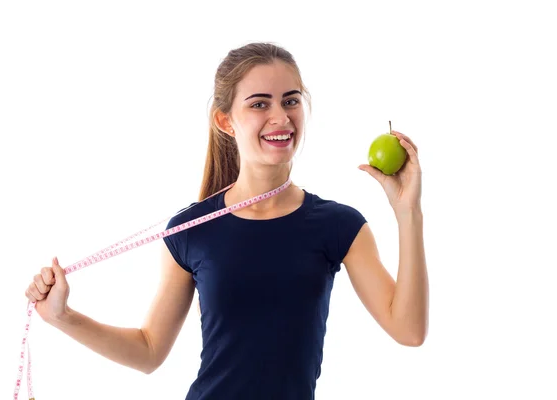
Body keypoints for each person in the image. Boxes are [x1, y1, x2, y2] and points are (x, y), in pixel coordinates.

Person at [25, 42, 429, 399]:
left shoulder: (339, 226)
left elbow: (409, 331)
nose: (281, 117)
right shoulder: (191, 230)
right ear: (226, 120)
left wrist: (408, 212)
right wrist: (63, 316)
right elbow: (148, 352)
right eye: (259, 103)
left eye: (290, 100)